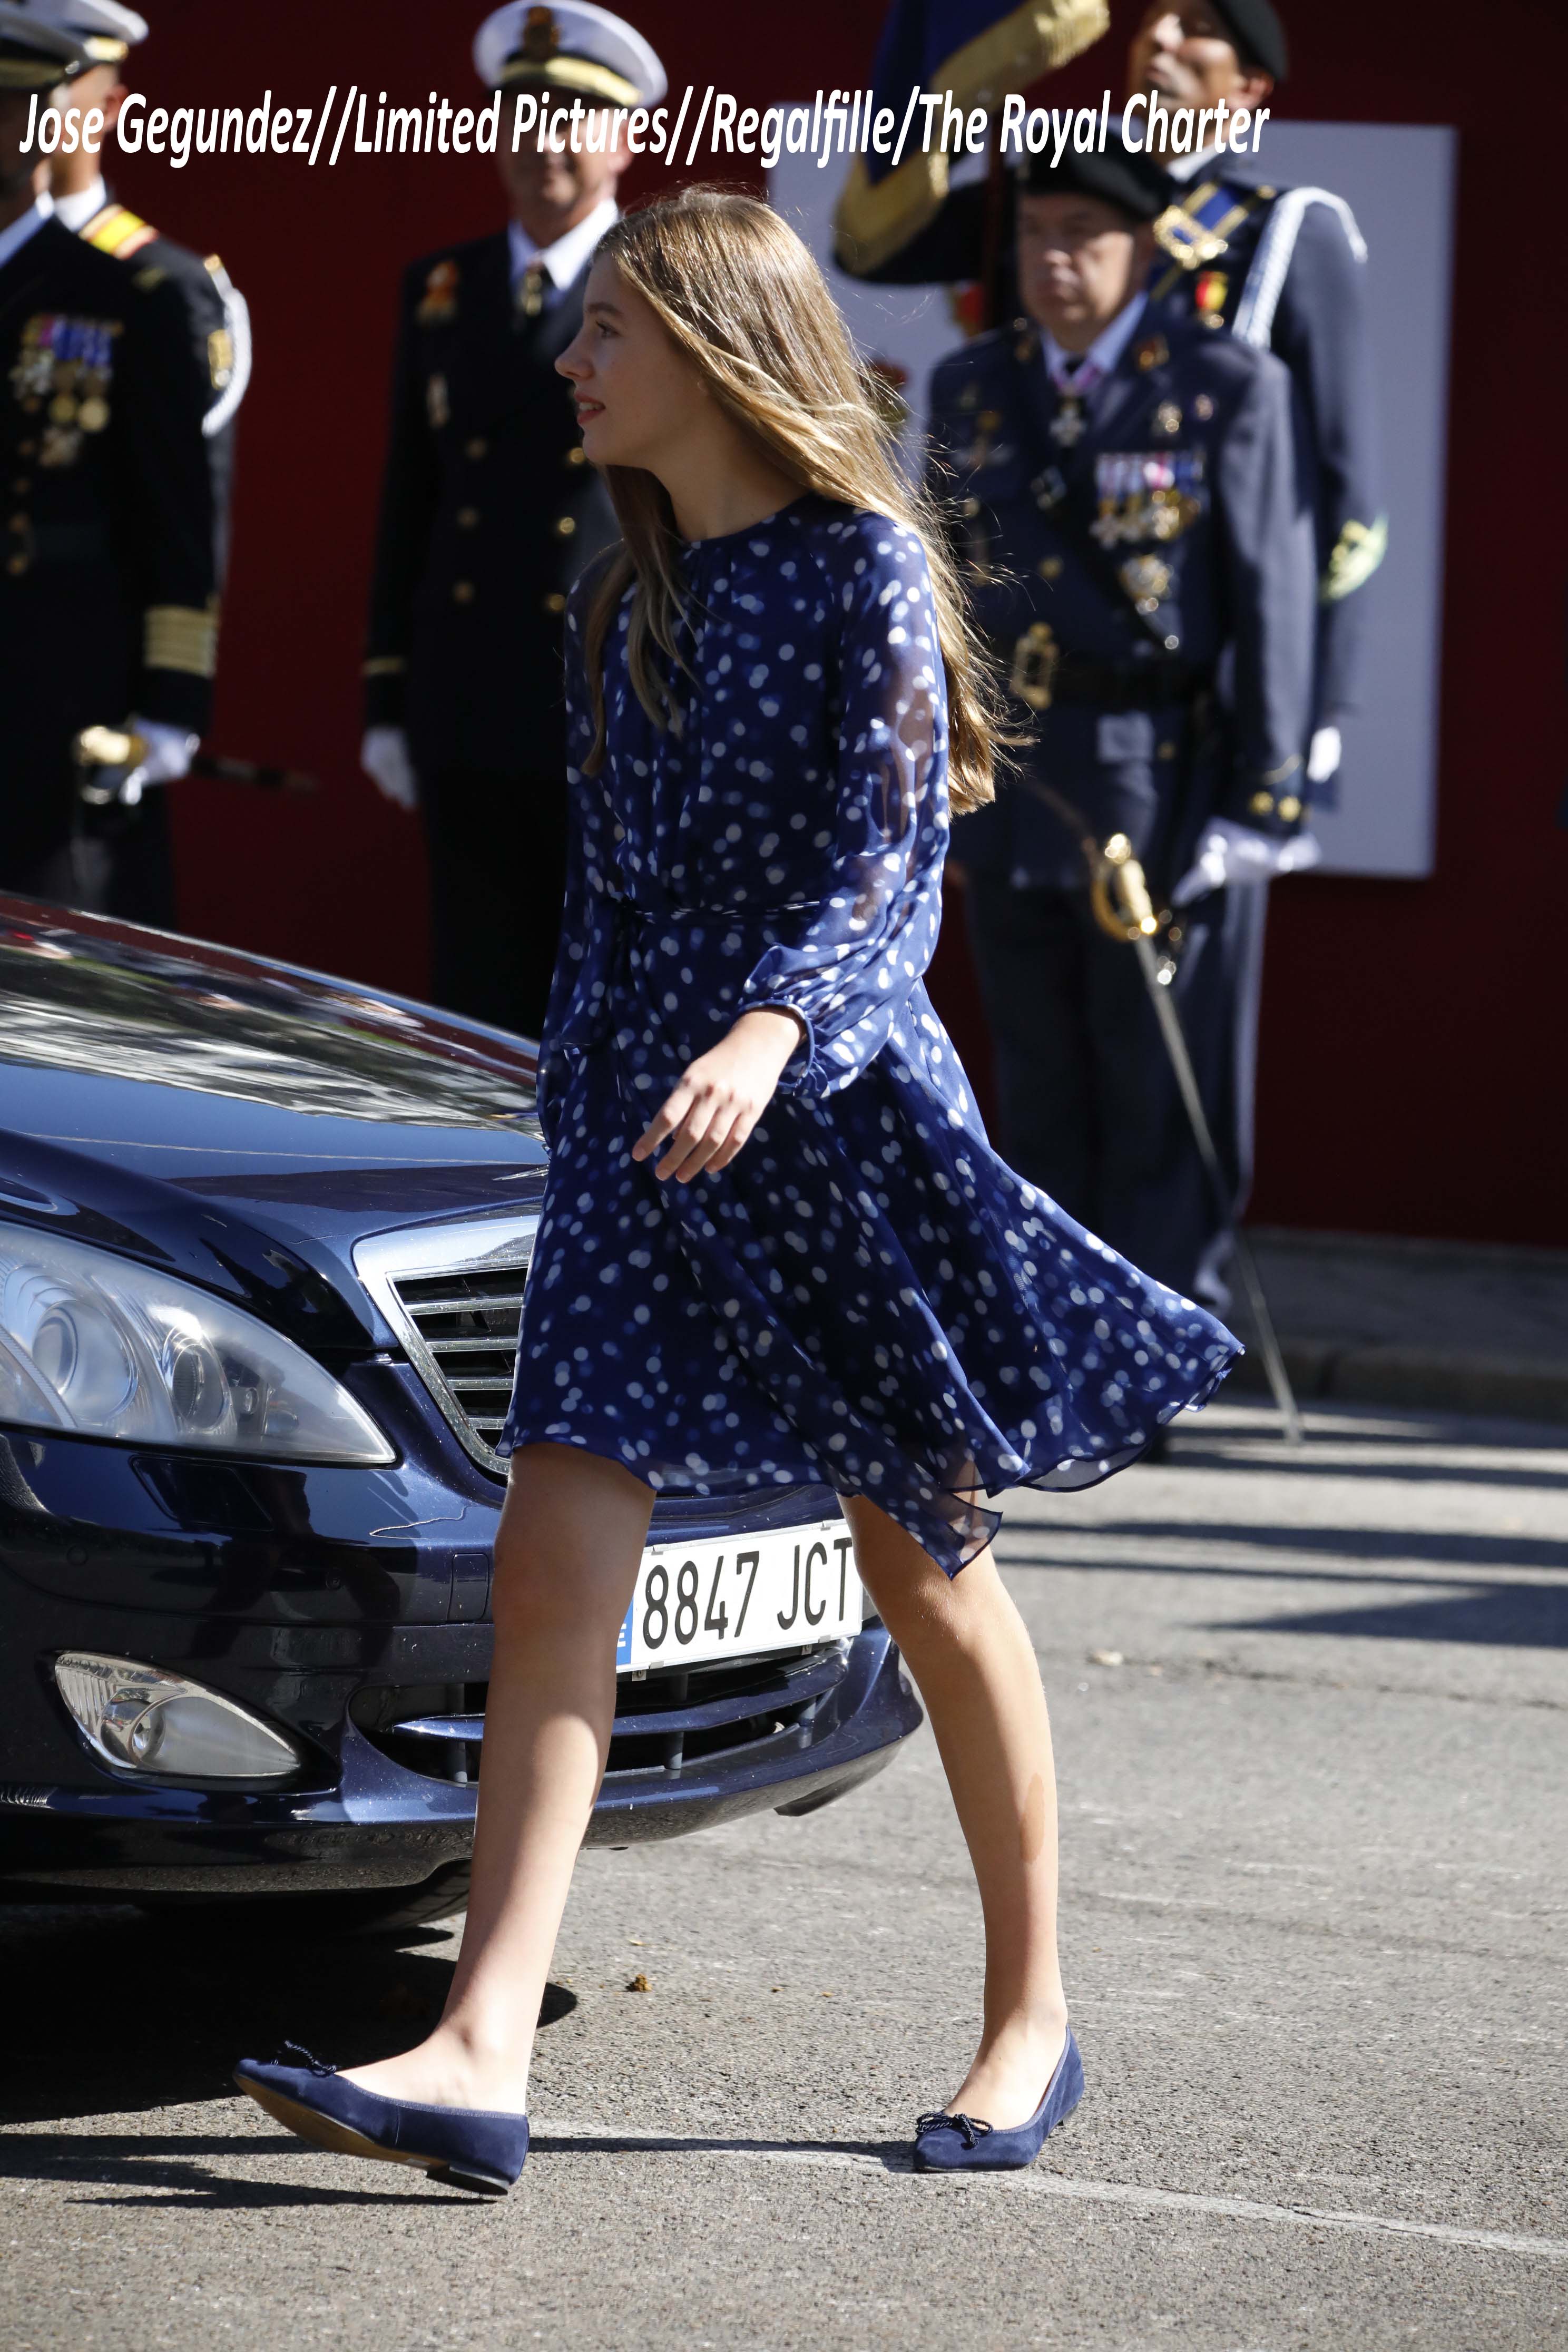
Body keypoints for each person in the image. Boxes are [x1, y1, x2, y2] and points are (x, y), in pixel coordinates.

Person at [233, 188, 1240, 2194]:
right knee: (551, 1565)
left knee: (923, 1569)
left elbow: (882, 876)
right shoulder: (627, 588)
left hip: (823, 1116)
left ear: (709, 352)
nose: (570, 362)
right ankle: (475, 2039)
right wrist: (573, 1082)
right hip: (634, 1129)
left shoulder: (856, 571)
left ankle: (1029, 2008)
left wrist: (767, 1033)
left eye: (606, 329)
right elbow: (609, 889)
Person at [926, 132, 1316, 1308]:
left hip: (1161, 781)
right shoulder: (973, 386)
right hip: (1019, 782)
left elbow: (1274, 598)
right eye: (1039, 234)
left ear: (1141, 250)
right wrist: (935, 772)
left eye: (1085, 236)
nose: (1056, 260)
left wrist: (1265, 798)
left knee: (1159, 1080)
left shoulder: (1223, 384)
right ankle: (1053, 1336)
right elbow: (939, 592)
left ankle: (1162, 1337)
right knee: (1037, 1075)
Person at [361, 0, 665, 1042]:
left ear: (626, 138)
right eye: (521, 115)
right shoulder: (443, 289)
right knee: (475, 997)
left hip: (603, 693)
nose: (543, 142)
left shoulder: (663, 288)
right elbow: (414, 497)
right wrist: (388, 693)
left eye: (573, 118)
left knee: (596, 999)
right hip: (468, 690)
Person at [1125, 0, 1383, 796]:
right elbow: (875, 244)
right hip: (1067, 682)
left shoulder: (1290, 230)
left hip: (1221, 683)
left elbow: (1349, 497)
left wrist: (1318, 698)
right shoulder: (1059, 220)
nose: (1159, 40)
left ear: (1247, 88)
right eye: (1152, 20)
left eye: (1196, 26)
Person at [0, 1, 216, 923]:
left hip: (52, 685)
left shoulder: (131, 294)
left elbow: (175, 512)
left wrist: (168, 702)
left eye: (12, 107)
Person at [19, 0, 250, 577]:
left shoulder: (167, 290)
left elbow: (177, 518)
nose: (25, 108)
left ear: (110, 107)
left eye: (56, 82)